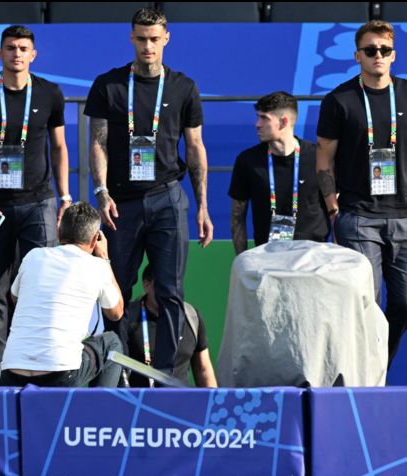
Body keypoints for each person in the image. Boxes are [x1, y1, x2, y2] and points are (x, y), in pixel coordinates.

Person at [85, 8, 213, 377]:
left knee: (171, 291)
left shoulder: (183, 87)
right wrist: (102, 192)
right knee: (116, 289)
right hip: (121, 203)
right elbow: (98, 143)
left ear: (166, 39)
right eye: (141, 38)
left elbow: (195, 147)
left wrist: (202, 205)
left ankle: (167, 376)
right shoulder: (108, 85)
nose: (147, 46)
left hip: (168, 197)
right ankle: (116, 370)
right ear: (131, 38)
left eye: (154, 39)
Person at [0, 25, 71, 385]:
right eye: (10, 48)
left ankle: (44, 366)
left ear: (33, 55)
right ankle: (0, 369)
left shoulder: (50, 93)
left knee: (42, 285)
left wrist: (65, 197)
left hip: (39, 202)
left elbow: (59, 148)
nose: (16, 54)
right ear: (0, 53)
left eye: (23, 48)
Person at [317, 20, 407, 366]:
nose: (378, 56)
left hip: (403, 216)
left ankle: (378, 362)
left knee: (402, 304)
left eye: (384, 50)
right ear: (357, 56)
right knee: (364, 301)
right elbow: (324, 159)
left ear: (393, 55)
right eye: (370, 50)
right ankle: (364, 373)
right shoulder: (339, 100)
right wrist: (332, 207)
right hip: (359, 216)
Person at [0, 202, 124, 388]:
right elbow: (116, 312)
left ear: (58, 233)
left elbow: (15, 298)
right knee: (111, 343)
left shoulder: (33, 256)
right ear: (95, 239)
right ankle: (99, 414)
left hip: (12, 371)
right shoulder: (97, 266)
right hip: (60, 373)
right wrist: (104, 257)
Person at [229, 91, 329, 253]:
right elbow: (237, 216)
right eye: (258, 117)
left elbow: (336, 208)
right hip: (268, 258)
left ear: (283, 122)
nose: (257, 124)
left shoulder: (318, 156)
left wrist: (338, 253)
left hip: (314, 258)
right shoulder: (248, 161)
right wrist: (242, 259)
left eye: (264, 118)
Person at [126, 264, 217, 387]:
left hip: (181, 403)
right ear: (147, 285)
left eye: (174, 284)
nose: (170, 291)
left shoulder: (191, 316)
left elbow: (203, 369)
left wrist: (212, 404)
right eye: (163, 285)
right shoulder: (128, 317)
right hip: (139, 402)